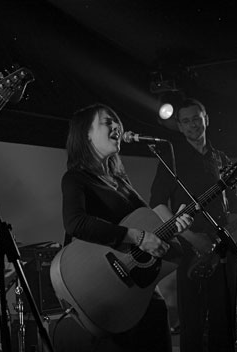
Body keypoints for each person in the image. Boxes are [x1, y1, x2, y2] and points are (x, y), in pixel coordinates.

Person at [149, 97, 237, 352]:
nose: (192, 126)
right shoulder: (172, 156)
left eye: (196, 119)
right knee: (193, 321)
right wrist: (190, 237)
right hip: (190, 249)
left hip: (223, 246)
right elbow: (157, 205)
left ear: (206, 119)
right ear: (179, 126)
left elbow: (232, 203)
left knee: (224, 319)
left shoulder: (220, 158)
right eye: (186, 121)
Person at [60, 103, 193, 352]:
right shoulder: (76, 178)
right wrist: (136, 237)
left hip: (137, 291)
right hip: (102, 289)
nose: (116, 126)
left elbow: (153, 229)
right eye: (106, 121)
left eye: (116, 121)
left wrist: (175, 224)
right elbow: (75, 223)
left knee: (156, 313)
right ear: (86, 134)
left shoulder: (121, 182)